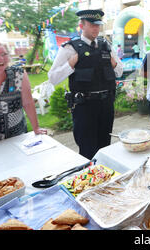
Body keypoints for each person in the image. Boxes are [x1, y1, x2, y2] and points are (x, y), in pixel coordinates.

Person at [48, 9, 123, 159]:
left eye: (98, 25)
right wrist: (70, 64)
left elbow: (120, 72)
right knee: (87, 149)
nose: (96, 28)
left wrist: (114, 64)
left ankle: (104, 175)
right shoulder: (70, 48)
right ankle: (88, 178)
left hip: (106, 104)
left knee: (105, 146)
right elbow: (53, 78)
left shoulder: (106, 46)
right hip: (85, 106)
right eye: (92, 25)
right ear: (81, 26)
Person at [0, 39, 47, 144]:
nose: (1, 58)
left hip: (17, 138)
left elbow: (28, 103)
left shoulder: (18, 74)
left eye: (4, 54)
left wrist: (36, 128)